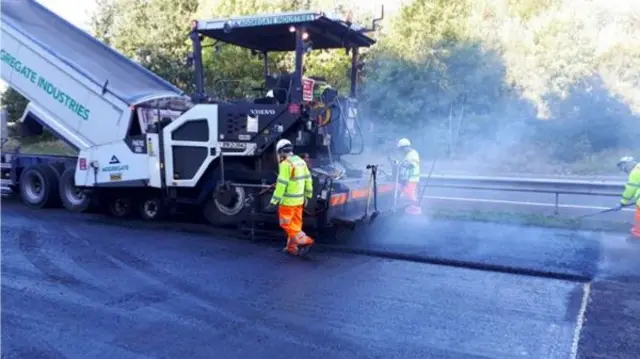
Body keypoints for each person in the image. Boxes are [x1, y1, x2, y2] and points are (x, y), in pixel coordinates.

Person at [265, 139, 315, 255]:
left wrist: (273, 201)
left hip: (288, 202)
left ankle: (304, 240)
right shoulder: (301, 162)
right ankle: (292, 248)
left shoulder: (285, 164)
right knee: (295, 224)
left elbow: (281, 184)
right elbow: (308, 179)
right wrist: (307, 196)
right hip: (299, 201)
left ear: (282, 151)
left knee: (286, 224)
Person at [396, 138, 422, 215]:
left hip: (412, 178)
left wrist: (400, 164)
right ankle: (409, 209)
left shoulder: (413, 154)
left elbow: (411, 165)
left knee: (410, 194)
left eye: (402, 149)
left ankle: (416, 209)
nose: (402, 151)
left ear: (406, 147)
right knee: (405, 193)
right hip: (407, 179)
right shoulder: (408, 154)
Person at [617, 156, 640, 239]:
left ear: (627, 164)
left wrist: (623, 203)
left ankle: (637, 234)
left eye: (624, 168)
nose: (624, 170)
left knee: (639, 216)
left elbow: (630, 190)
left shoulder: (635, 172)